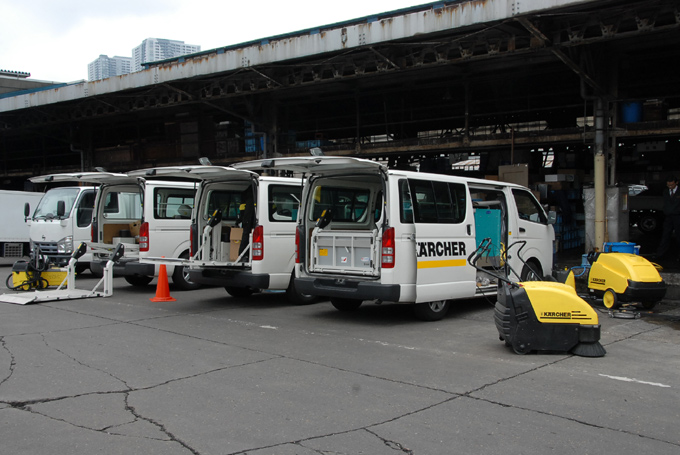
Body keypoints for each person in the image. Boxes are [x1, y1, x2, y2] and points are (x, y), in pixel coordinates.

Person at [654, 175, 680, 259]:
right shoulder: (666, 191)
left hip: (678, 216)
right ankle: (660, 254)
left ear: (676, 183)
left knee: (679, 235)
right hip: (668, 216)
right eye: (668, 185)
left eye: (672, 185)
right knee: (665, 235)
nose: (670, 187)